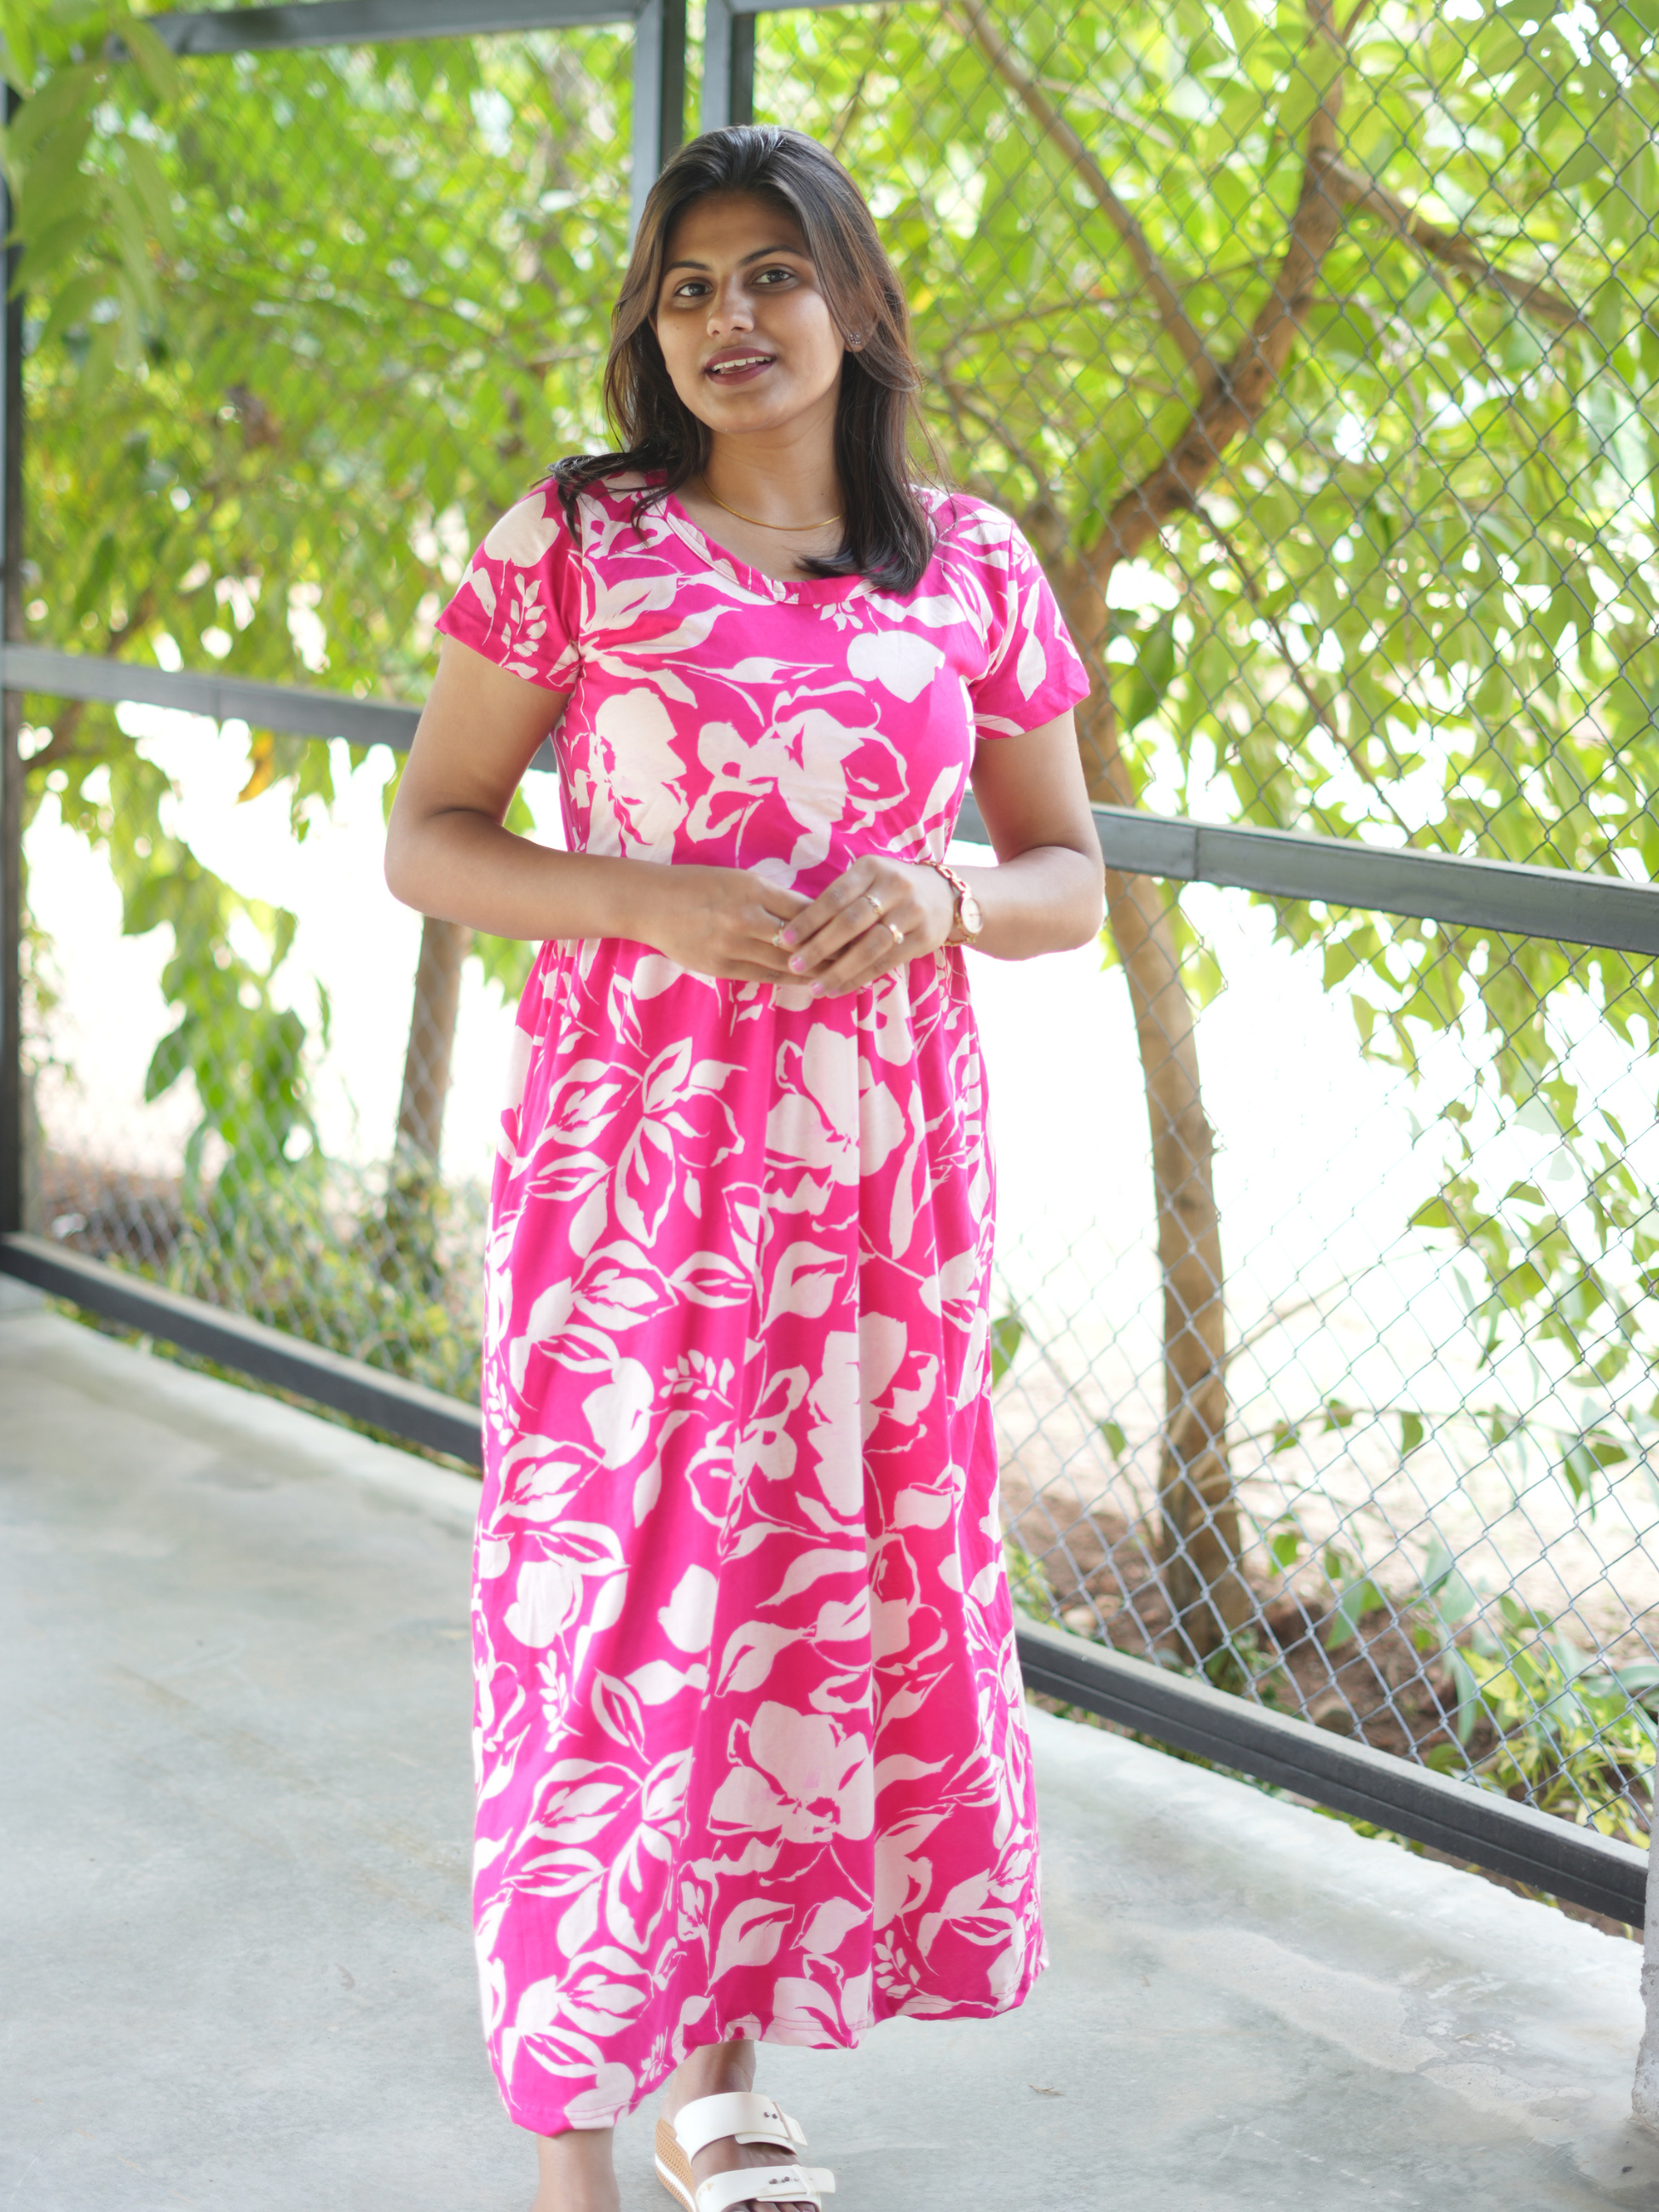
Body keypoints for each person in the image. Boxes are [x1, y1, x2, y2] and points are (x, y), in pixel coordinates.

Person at [384, 122, 1103, 2212]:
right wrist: (646, 901)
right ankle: (569, 2138)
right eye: (688, 285)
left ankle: (722, 2087)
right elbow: (429, 834)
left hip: (881, 1198)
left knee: (800, 1611)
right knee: (615, 1605)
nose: (728, 319)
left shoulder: (963, 562)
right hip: (636, 1189)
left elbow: (1068, 871)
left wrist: (946, 889)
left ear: (856, 305)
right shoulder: (578, 541)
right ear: (653, 326)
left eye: (770, 276)